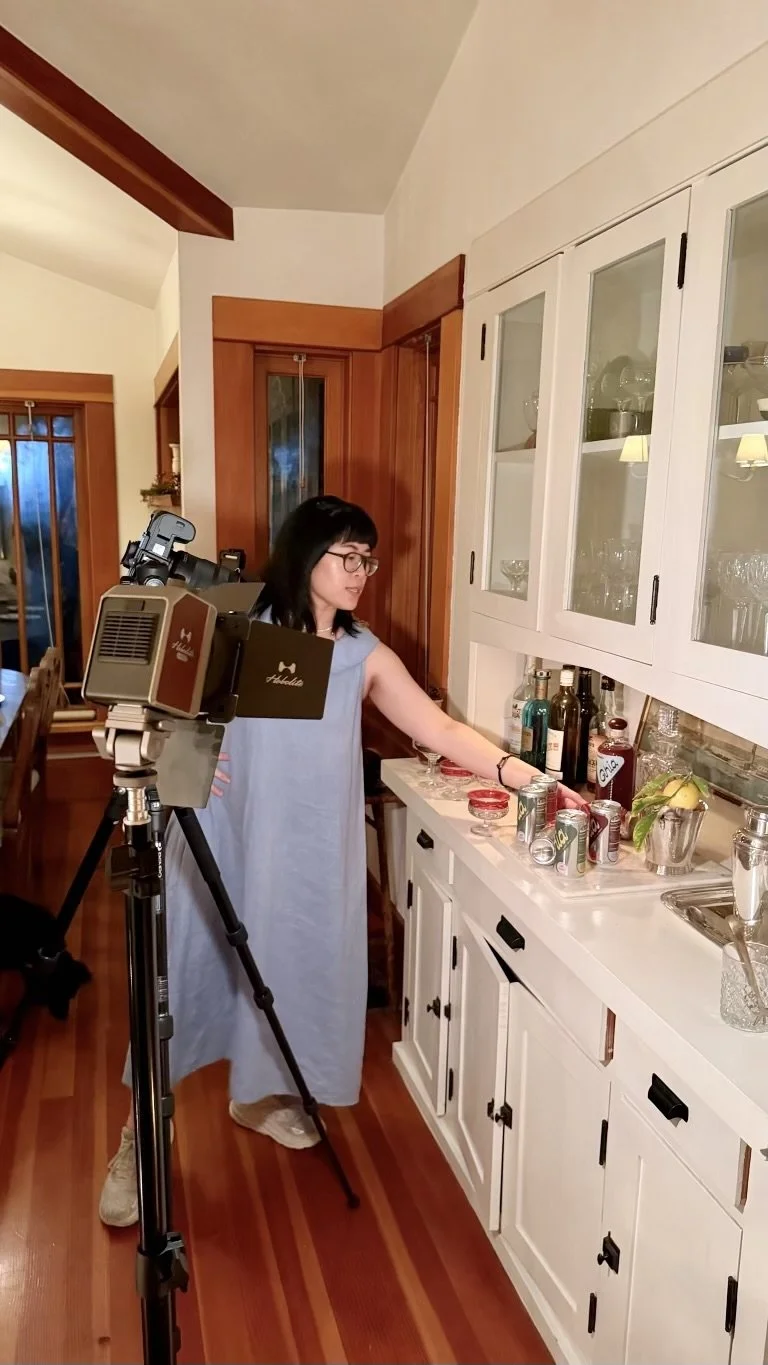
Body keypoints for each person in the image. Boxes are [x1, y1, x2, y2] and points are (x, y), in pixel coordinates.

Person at [99, 495, 585, 1227]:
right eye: (347, 557)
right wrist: (180, 749)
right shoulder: (236, 625)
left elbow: (441, 726)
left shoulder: (362, 654)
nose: (362, 572)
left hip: (306, 852)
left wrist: (533, 780)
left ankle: (257, 1093)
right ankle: (140, 1133)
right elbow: (162, 711)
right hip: (224, 837)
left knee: (290, 968)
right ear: (306, 556)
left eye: (369, 557)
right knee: (187, 973)